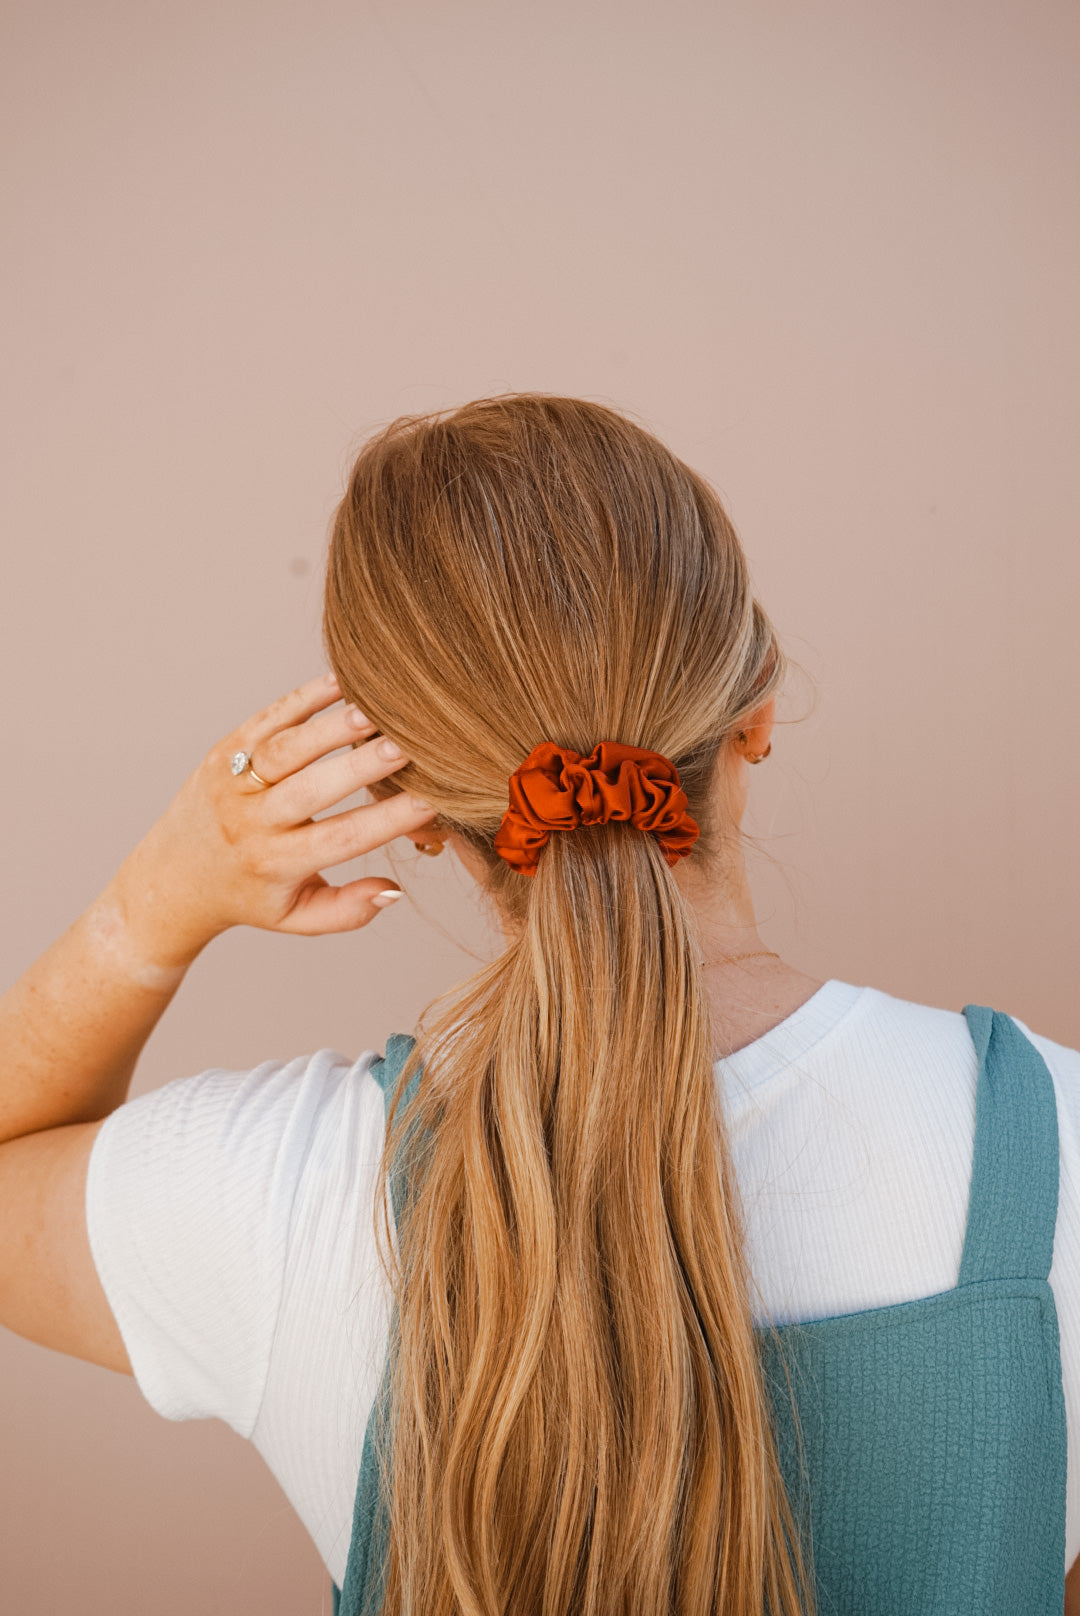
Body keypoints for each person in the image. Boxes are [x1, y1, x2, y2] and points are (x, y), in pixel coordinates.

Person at [0, 392, 1076, 1615]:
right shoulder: (1065, 1146)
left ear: (405, 792)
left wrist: (155, 901)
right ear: (758, 705)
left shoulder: (290, 1194)